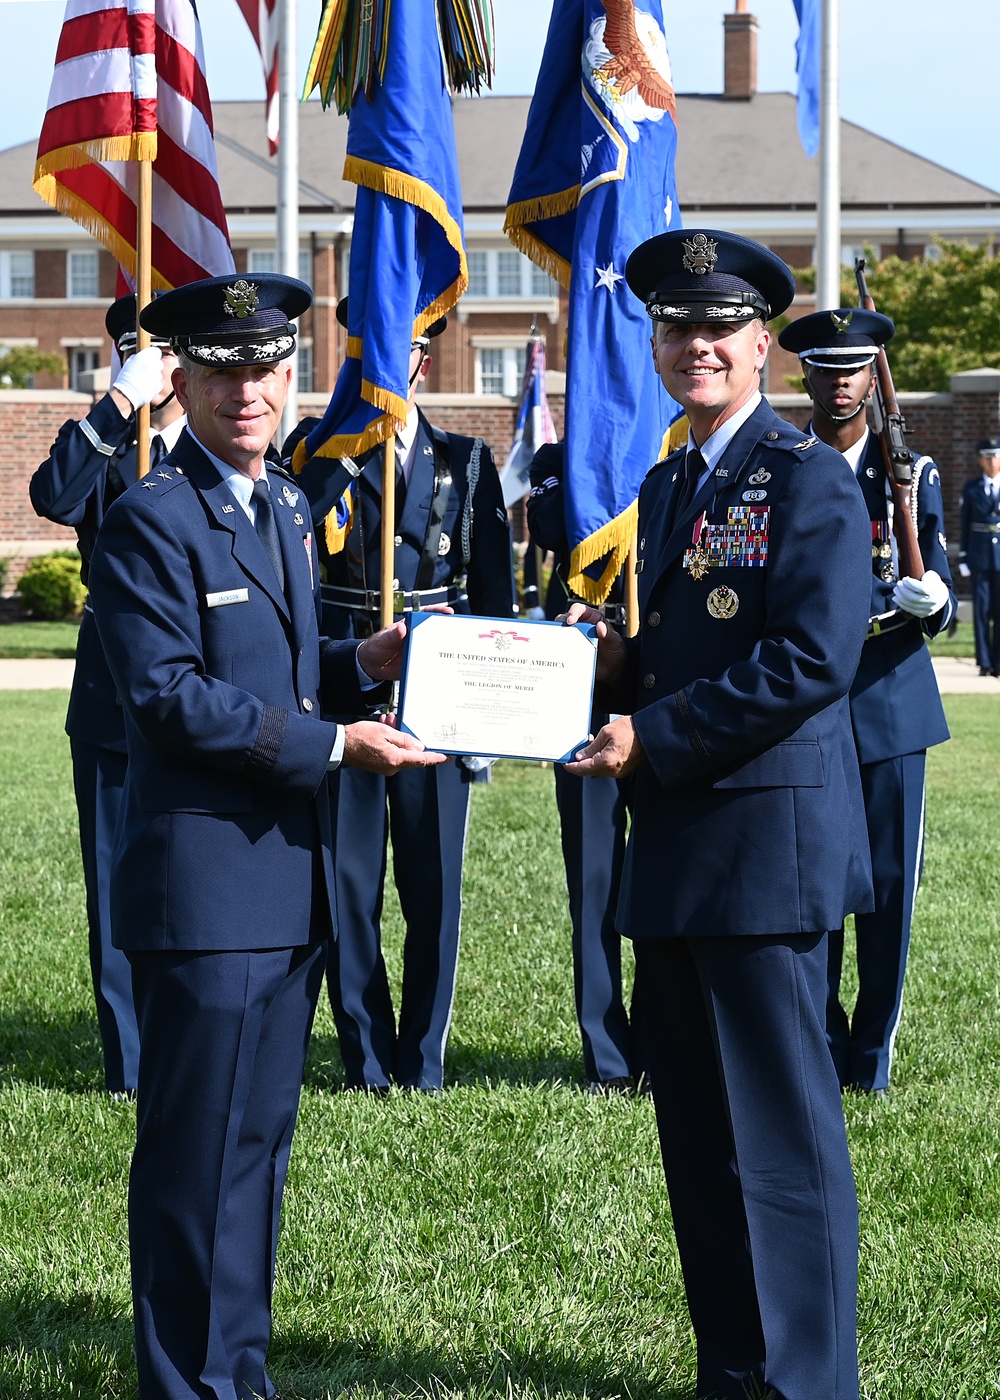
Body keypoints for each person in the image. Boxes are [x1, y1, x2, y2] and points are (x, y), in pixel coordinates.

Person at [87, 272, 445, 1400]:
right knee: (198, 1161)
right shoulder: (153, 517)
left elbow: (283, 677)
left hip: (283, 891)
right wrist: (339, 745)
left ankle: (235, 1372)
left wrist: (367, 665)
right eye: (225, 367)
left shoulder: (280, 504)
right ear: (180, 378)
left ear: (294, 374)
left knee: (255, 1154)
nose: (250, 388)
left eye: (268, 366)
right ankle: (187, 1382)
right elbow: (170, 697)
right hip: (206, 895)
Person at [562, 229, 874, 1400]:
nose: (695, 344)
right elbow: (684, 647)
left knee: (782, 1149)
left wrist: (655, 732)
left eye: (717, 328)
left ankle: (810, 1381)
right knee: (699, 1142)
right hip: (680, 852)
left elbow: (808, 659)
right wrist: (607, 668)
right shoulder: (669, 480)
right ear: (655, 343)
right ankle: (735, 1371)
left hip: (763, 854)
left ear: (759, 345)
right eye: (675, 327)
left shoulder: (809, 479)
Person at [287, 301, 514, 1092]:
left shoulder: (467, 460)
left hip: (440, 698)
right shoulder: (315, 451)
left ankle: (421, 1058)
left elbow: (494, 595)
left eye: (408, 351)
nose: (396, 365)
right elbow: (292, 565)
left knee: (433, 888)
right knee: (349, 890)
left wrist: (488, 707)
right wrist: (341, 460)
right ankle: (368, 1058)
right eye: (376, 349)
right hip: (347, 692)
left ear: (424, 361)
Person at [779, 309, 956, 1095]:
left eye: (855, 368)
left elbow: (942, 585)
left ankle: (872, 1054)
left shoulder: (909, 474)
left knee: (888, 885)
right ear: (804, 376)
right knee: (814, 880)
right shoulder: (784, 465)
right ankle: (819, 1036)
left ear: (870, 374)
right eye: (826, 366)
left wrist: (935, 601)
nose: (842, 381)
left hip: (889, 696)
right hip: (807, 705)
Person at [28, 294, 185, 1095]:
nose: (152, 360)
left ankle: (195, 1033)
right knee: (115, 880)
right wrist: (122, 400)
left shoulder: (225, 446)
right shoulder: (108, 446)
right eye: (135, 349)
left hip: (207, 691)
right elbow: (53, 495)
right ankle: (130, 1063)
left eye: (159, 350)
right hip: (111, 693)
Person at [526, 440, 641, 1093]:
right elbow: (545, 527)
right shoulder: (558, 461)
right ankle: (606, 1053)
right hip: (578, 690)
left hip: (659, 691)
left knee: (662, 878)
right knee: (594, 881)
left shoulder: (685, 457)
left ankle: (658, 1034)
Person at [958, 435, 1000, 676]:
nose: (993, 462)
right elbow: (965, 524)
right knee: (982, 611)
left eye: (996, 456)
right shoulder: (972, 488)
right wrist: (963, 556)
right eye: (987, 457)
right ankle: (984, 661)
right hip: (980, 556)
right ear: (980, 460)